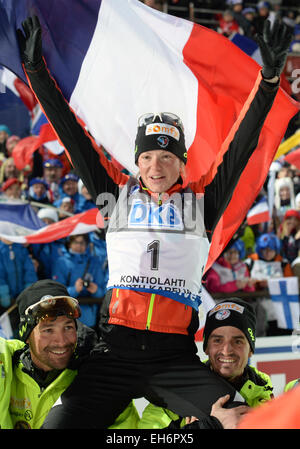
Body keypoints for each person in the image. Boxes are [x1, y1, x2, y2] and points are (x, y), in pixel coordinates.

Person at [17, 15, 292, 428]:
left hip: (173, 359)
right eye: (146, 156)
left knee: (239, 421)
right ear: (136, 161)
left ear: (181, 162)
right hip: (113, 354)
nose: (156, 166)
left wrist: (268, 81)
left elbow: (241, 141)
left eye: (167, 156)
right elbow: (71, 131)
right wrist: (37, 72)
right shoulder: (115, 194)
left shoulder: (203, 200)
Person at [0, 279, 139, 429]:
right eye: (48, 330)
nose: (61, 342)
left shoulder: (96, 380)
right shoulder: (8, 366)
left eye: (68, 327)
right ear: (26, 336)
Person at [138, 298, 273, 429]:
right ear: (206, 348)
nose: (226, 350)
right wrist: (210, 425)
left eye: (237, 341)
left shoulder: (263, 391)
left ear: (250, 350)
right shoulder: (178, 388)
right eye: (217, 341)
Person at [52, 234, 107, 328]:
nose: (79, 246)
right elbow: (57, 291)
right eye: (75, 242)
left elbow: (102, 290)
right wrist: (75, 289)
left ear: (86, 244)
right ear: (69, 244)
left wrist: (96, 291)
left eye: (82, 243)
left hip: (89, 318)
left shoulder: (94, 262)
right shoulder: (61, 262)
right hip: (67, 317)